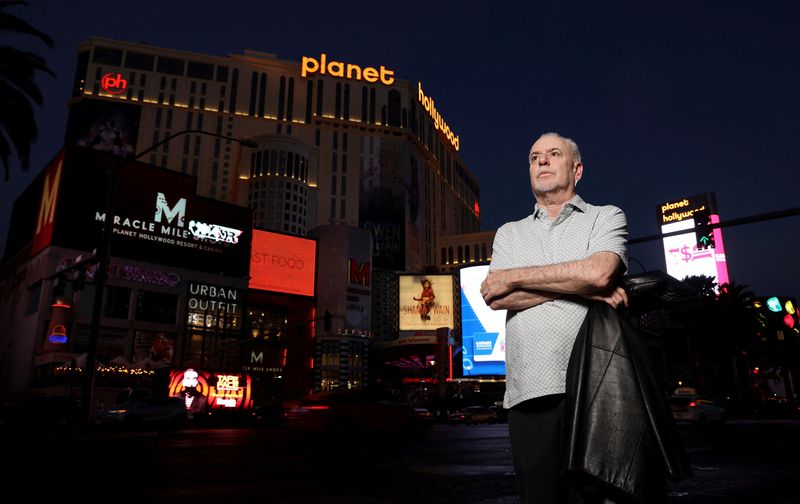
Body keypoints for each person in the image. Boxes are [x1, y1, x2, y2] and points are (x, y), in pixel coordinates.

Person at [480, 132, 629, 504]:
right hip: (529, 390)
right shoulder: (509, 233)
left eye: (553, 154)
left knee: (597, 498)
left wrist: (514, 275)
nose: (541, 162)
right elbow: (495, 297)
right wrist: (581, 286)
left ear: (577, 169)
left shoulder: (605, 216)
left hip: (596, 387)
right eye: (534, 157)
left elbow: (599, 272)